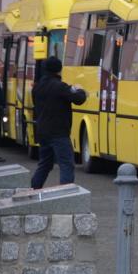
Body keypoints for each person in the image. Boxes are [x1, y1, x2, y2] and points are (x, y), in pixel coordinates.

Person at [30, 57, 87, 189]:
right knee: (66, 164)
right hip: (59, 133)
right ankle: (65, 194)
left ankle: (33, 189)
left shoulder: (37, 88)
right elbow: (79, 99)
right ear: (59, 69)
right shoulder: (60, 86)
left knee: (45, 164)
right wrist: (80, 90)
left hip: (43, 132)